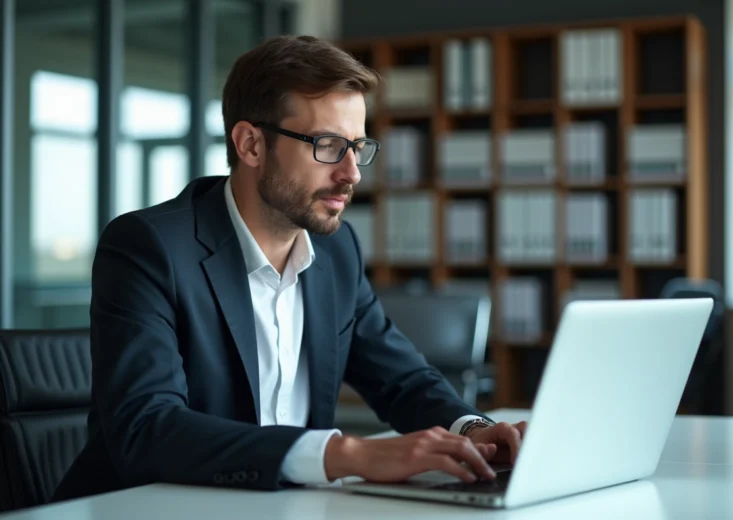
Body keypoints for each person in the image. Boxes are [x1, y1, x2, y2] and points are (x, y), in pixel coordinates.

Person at [51, 34, 526, 502]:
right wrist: (345, 454)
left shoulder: (337, 251)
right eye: (328, 145)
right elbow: (146, 427)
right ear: (251, 145)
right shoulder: (149, 247)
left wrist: (473, 430)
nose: (351, 173)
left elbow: (403, 380)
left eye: (358, 147)